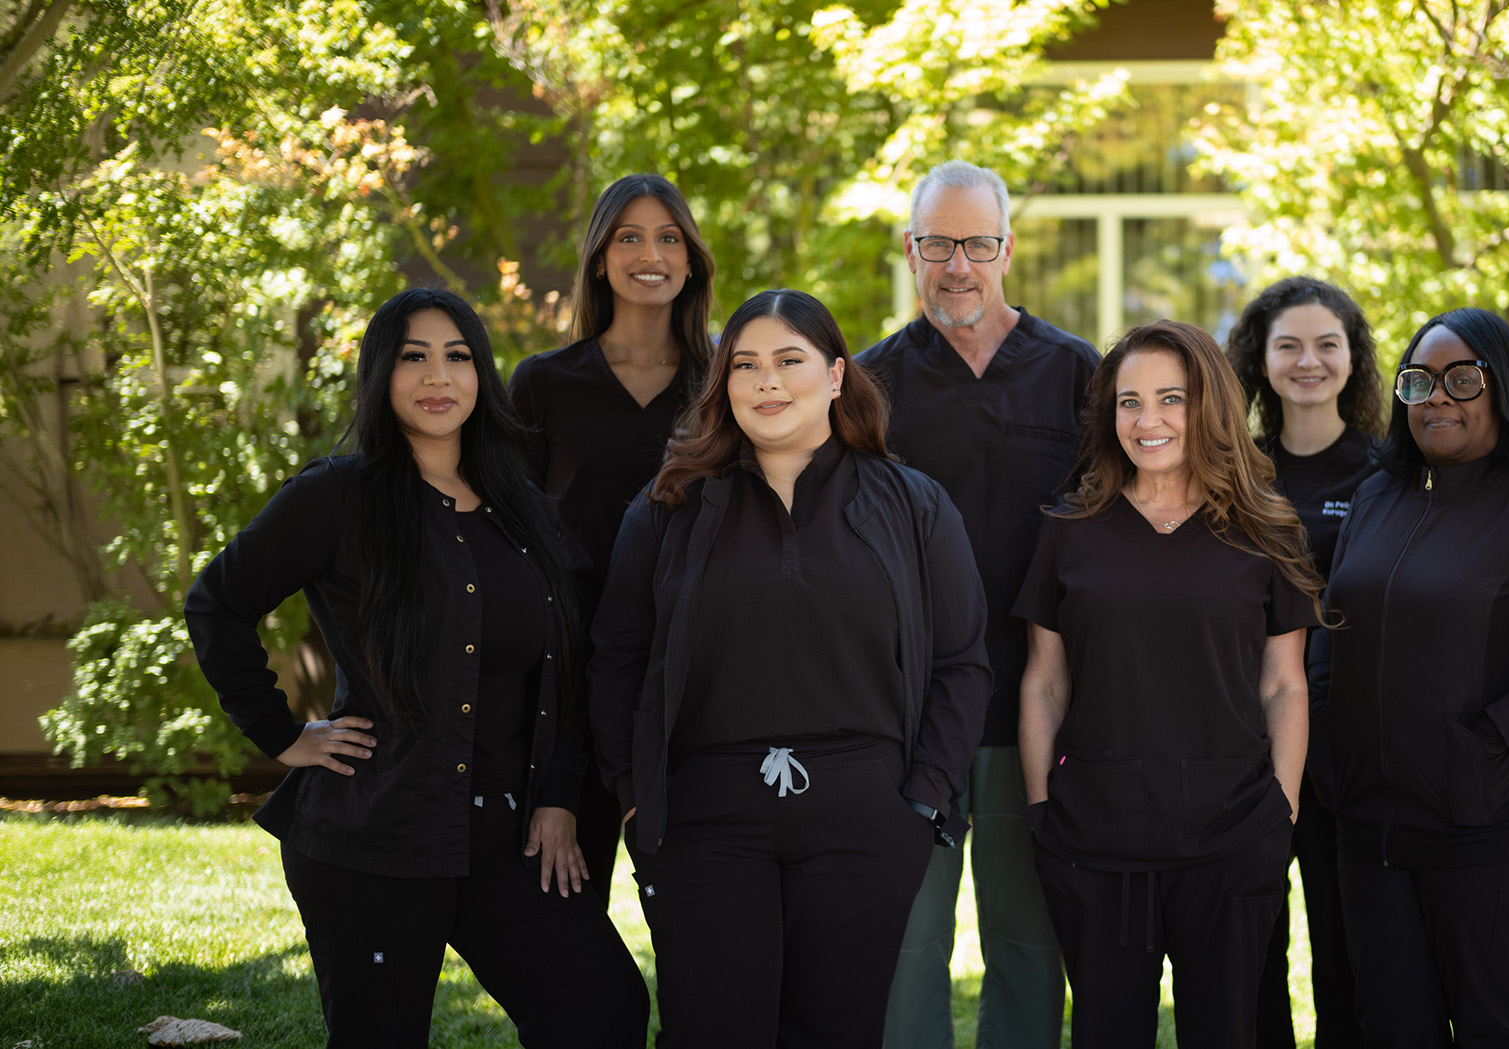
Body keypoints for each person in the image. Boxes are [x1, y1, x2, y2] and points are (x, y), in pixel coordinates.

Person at [184, 288, 649, 1047]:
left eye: (458, 356)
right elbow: (217, 602)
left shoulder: (524, 507)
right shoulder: (337, 494)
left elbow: (567, 660)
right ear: (380, 374)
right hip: (376, 831)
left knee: (602, 1009)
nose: (439, 376)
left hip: (504, 835)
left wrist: (560, 795)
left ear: (481, 374)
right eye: (414, 357)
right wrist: (281, 732)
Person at [589, 289, 991, 1047]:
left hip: (867, 815)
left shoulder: (912, 504)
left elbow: (963, 662)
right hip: (706, 817)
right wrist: (635, 800)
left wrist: (921, 801)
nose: (766, 382)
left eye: (788, 361)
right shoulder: (668, 507)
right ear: (723, 382)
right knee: (712, 1028)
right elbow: (615, 658)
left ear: (836, 375)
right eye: (745, 364)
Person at [1308, 307, 1509, 1048]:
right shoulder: (1376, 495)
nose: (1438, 398)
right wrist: (1329, 729)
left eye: (1462, 378)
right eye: (1420, 381)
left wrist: (1489, 738)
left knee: (1493, 1025)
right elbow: (1333, 618)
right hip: (1373, 822)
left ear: (1503, 386)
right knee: (1392, 1023)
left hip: (1498, 818)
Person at [1015, 320, 1320, 1048]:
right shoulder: (1070, 527)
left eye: (1170, 398)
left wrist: (1280, 812)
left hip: (1232, 831)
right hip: (1096, 835)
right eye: (1128, 401)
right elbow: (1044, 683)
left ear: (1208, 404)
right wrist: (1039, 813)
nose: (1146, 420)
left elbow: (1284, 685)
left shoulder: (1265, 527)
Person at [860, 159, 1098, 1049]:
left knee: (1028, 940)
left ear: (1006, 249)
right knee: (907, 942)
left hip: (1036, 709)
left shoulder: (1076, 374)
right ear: (911, 249)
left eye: (976, 244)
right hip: (911, 716)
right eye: (937, 244)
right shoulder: (871, 385)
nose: (957, 265)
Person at [508, 173, 716, 903]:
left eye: (668, 237)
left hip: (695, 667)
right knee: (563, 908)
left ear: (691, 260)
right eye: (628, 236)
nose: (649, 253)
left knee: (700, 903)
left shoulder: (726, 382)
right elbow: (512, 534)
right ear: (600, 258)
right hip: (569, 669)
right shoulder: (544, 383)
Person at [1226, 276, 1383, 1049]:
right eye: (1288, 344)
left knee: (1346, 940)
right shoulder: (1234, 473)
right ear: (1261, 359)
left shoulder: (1389, 474)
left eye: (1327, 343)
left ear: (1353, 359)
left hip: (1351, 746)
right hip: (1245, 742)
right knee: (1253, 941)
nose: (1308, 360)